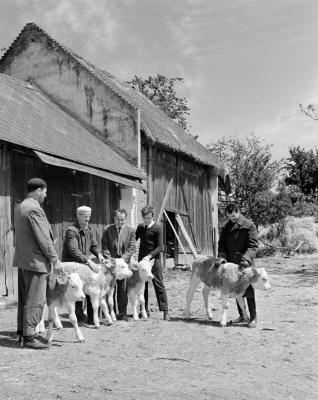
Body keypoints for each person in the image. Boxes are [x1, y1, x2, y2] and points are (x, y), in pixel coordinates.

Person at [14, 177, 63, 350]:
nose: (46, 195)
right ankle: (29, 337)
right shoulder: (35, 209)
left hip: (23, 260)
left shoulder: (20, 207)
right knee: (35, 299)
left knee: (24, 299)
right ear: (38, 190)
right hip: (36, 262)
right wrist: (55, 260)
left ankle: (23, 332)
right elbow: (43, 238)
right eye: (45, 191)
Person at [217, 202, 259, 328]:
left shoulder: (249, 225)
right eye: (229, 218)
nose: (232, 219)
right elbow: (222, 244)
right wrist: (222, 257)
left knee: (249, 290)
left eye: (234, 217)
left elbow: (253, 246)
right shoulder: (225, 227)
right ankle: (241, 315)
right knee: (235, 289)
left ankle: (253, 317)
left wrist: (246, 259)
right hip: (231, 264)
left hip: (245, 263)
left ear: (238, 212)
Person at [62, 205, 105, 324]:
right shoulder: (71, 231)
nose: (87, 219)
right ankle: (78, 317)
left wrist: (99, 255)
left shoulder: (90, 230)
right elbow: (74, 250)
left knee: (92, 287)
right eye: (85, 217)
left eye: (89, 217)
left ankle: (92, 318)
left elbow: (94, 246)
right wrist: (88, 261)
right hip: (72, 265)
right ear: (78, 216)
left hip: (84, 264)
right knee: (76, 289)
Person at [135, 206, 170, 321]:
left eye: (149, 218)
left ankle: (165, 311)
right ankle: (144, 310)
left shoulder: (157, 228)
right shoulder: (140, 227)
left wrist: (149, 256)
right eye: (145, 218)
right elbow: (133, 240)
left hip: (154, 260)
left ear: (152, 216)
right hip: (142, 261)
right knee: (142, 286)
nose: (147, 220)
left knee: (158, 284)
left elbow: (160, 247)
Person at [101, 208, 136, 321]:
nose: (120, 222)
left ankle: (123, 313)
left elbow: (132, 247)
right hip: (111, 265)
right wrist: (110, 260)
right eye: (118, 219)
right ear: (114, 218)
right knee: (110, 288)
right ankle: (111, 312)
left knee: (123, 288)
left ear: (125, 219)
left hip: (123, 264)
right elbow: (104, 246)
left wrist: (123, 260)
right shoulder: (107, 230)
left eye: (123, 220)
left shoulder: (130, 231)